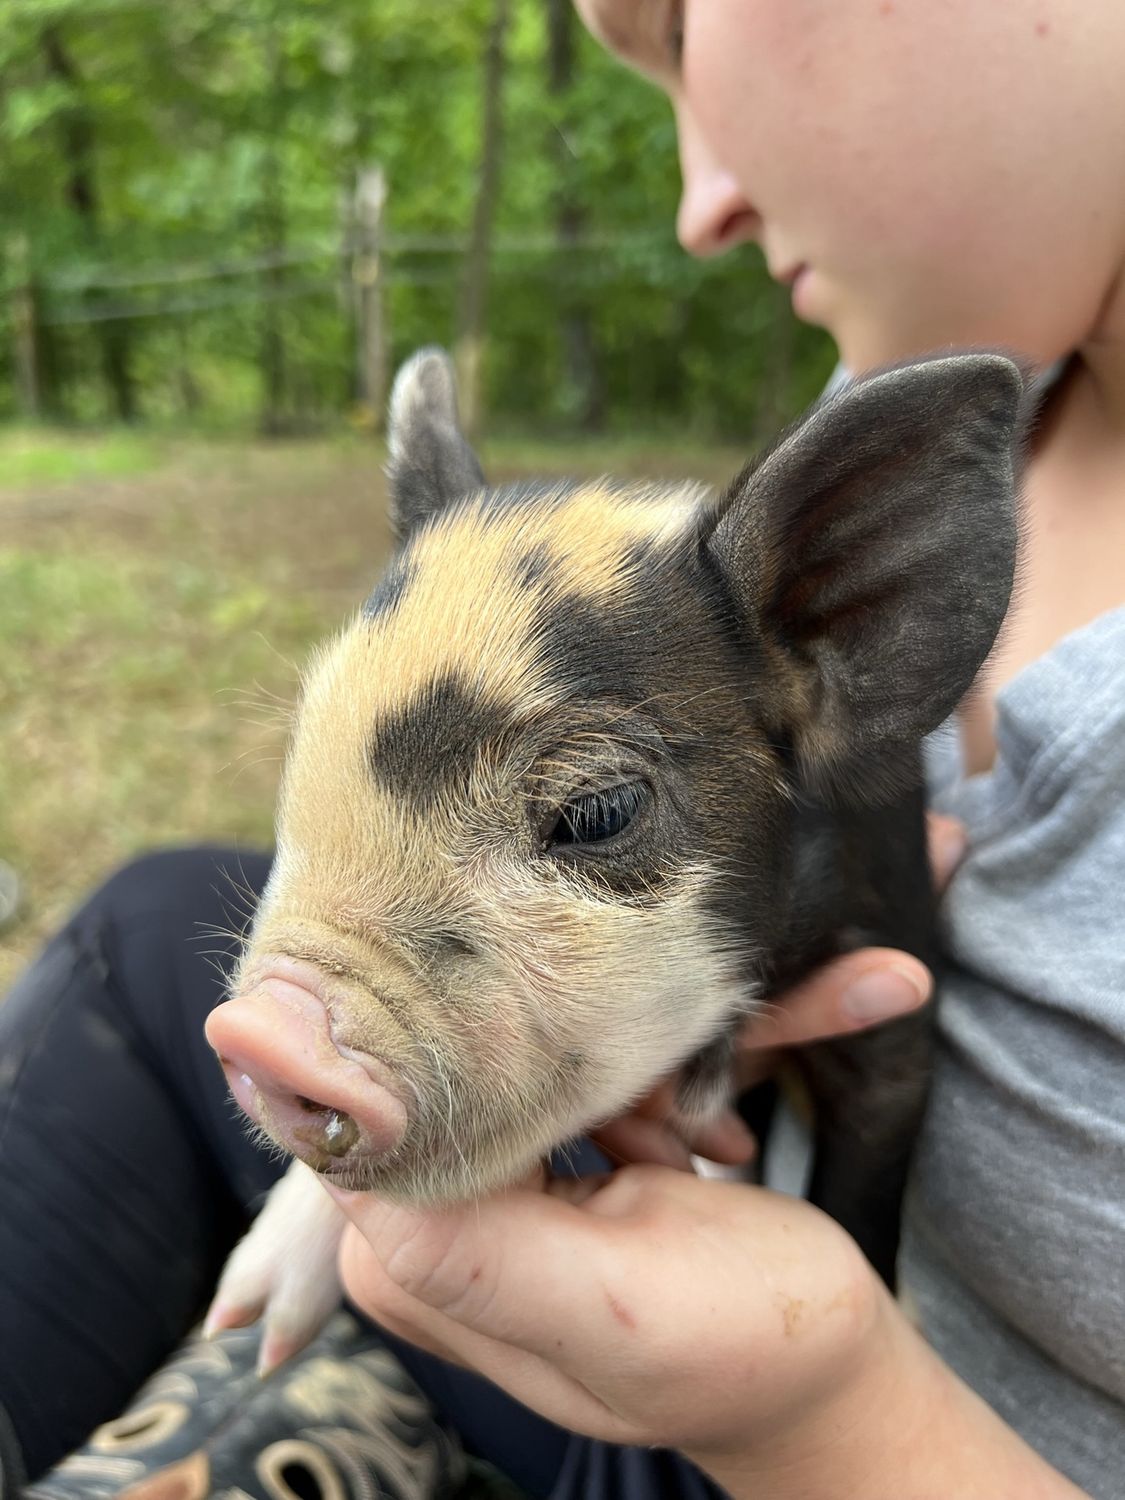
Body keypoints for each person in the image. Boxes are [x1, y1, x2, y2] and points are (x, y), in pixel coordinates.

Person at [0, 0, 1121, 1496]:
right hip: (650, 1196)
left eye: (672, 23)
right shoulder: (948, 371)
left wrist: (829, 1402)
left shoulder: (903, 432)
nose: (698, 205)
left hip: (794, 1414)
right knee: (153, 915)